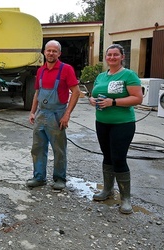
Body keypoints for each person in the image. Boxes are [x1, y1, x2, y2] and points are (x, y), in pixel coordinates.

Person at [89, 44, 142, 214]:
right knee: (107, 156)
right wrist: (92, 100)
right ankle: (107, 190)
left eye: (115, 55)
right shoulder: (101, 76)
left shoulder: (129, 75)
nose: (112, 57)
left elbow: (137, 98)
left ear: (122, 57)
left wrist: (113, 102)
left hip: (122, 123)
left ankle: (125, 198)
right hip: (102, 122)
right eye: (109, 55)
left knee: (119, 158)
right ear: (106, 57)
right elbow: (94, 94)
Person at [26, 40, 81, 190]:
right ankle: (39, 177)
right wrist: (32, 112)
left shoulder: (66, 69)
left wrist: (67, 114)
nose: (51, 53)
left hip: (57, 114)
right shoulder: (40, 70)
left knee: (59, 149)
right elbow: (37, 93)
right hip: (41, 114)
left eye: (54, 51)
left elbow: (76, 92)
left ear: (59, 53)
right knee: (38, 147)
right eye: (48, 50)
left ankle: (59, 178)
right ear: (44, 52)